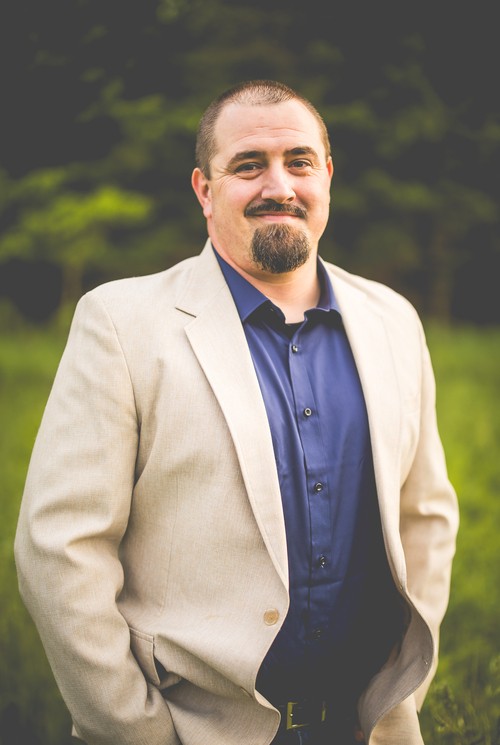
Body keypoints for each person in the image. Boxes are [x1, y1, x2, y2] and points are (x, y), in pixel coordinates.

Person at [15, 79, 459, 745]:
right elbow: (61, 546)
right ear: (204, 189)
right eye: (249, 165)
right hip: (192, 731)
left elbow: (425, 517)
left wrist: (402, 693)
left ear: (327, 175)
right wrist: (138, 730)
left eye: (299, 162)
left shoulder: (393, 320)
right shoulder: (120, 323)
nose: (279, 186)